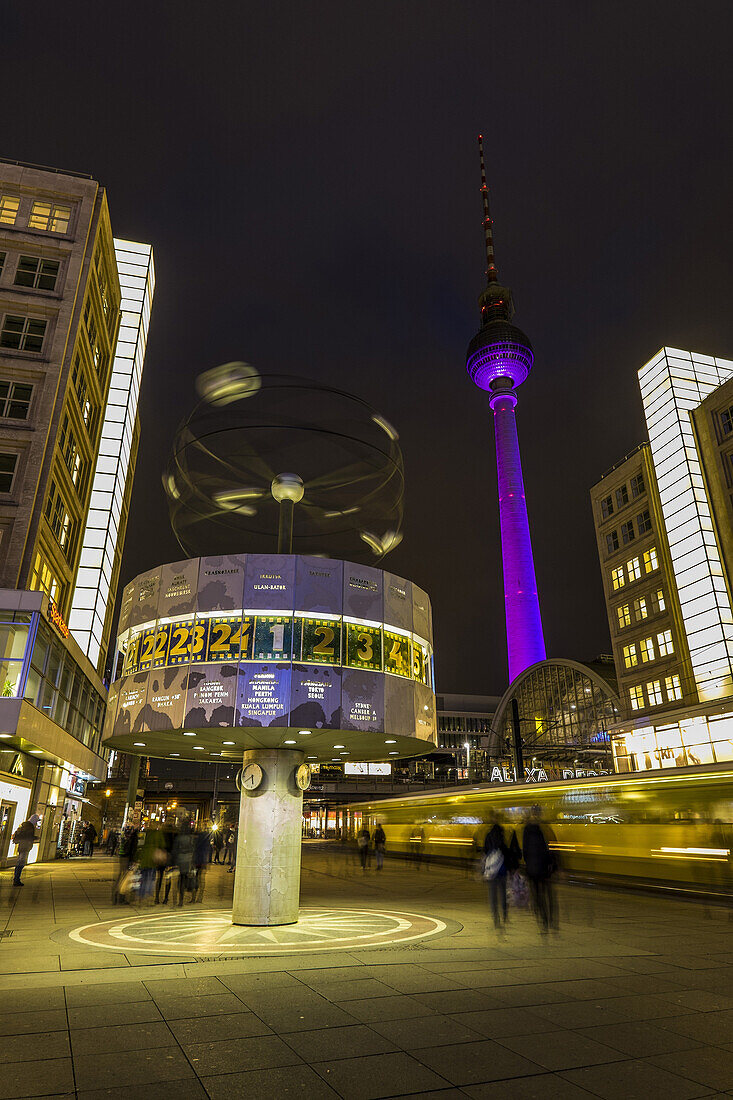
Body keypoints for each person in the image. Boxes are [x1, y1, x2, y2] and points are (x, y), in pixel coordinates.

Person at [522, 810, 558, 932]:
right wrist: (554, 865)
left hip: (534, 867)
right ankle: (550, 919)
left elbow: (525, 851)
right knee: (547, 894)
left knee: (538, 895)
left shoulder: (527, 830)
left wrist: (526, 865)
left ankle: (544, 919)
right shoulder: (545, 828)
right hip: (544, 867)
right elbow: (551, 848)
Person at [483, 815, 508, 930]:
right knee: (503, 892)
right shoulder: (503, 836)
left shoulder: (488, 835)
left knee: (492, 894)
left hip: (492, 869)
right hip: (502, 869)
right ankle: (505, 914)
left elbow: (485, 850)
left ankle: (495, 917)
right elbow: (507, 852)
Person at [12, 820, 36, 886]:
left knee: (19, 862)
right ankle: (16, 879)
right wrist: (34, 838)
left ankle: (16, 878)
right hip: (25, 847)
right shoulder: (29, 829)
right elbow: (28, 838)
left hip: (21, 847)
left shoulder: (22, 828)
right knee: (21, 863)